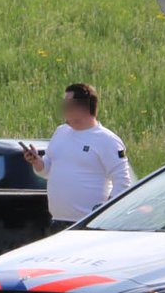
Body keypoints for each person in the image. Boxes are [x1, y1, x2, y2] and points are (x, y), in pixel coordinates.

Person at [21, 83, 134, 233]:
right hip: (58, 223)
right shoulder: (60, 132)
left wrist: (105, 215)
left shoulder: (107, 140)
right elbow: (47, 170)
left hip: (90, 226)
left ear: (83, 107)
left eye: (67, 104)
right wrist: (36, 162)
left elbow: (123, 181)